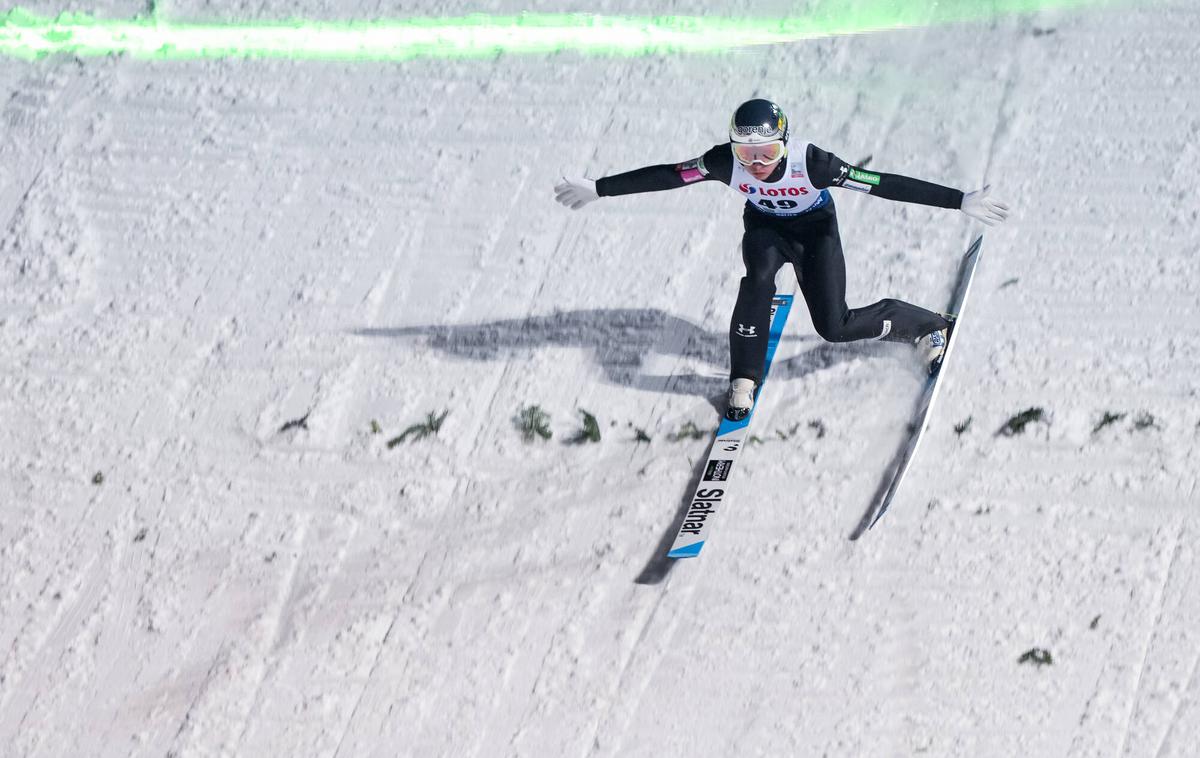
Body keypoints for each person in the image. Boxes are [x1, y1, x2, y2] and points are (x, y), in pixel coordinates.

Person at [554, 98, 1009, 420]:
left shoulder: (815, 164)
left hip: (815, 233)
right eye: (746, 155)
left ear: (785, 143)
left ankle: (929, 325)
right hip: (767, 231)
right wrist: (600, 188)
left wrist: (958, 200)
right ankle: (744, 378)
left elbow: (883, 183)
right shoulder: (721, 163)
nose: (756, 165)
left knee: (835, 326)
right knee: (757, 278)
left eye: (767, 153)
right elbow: (669, 176)